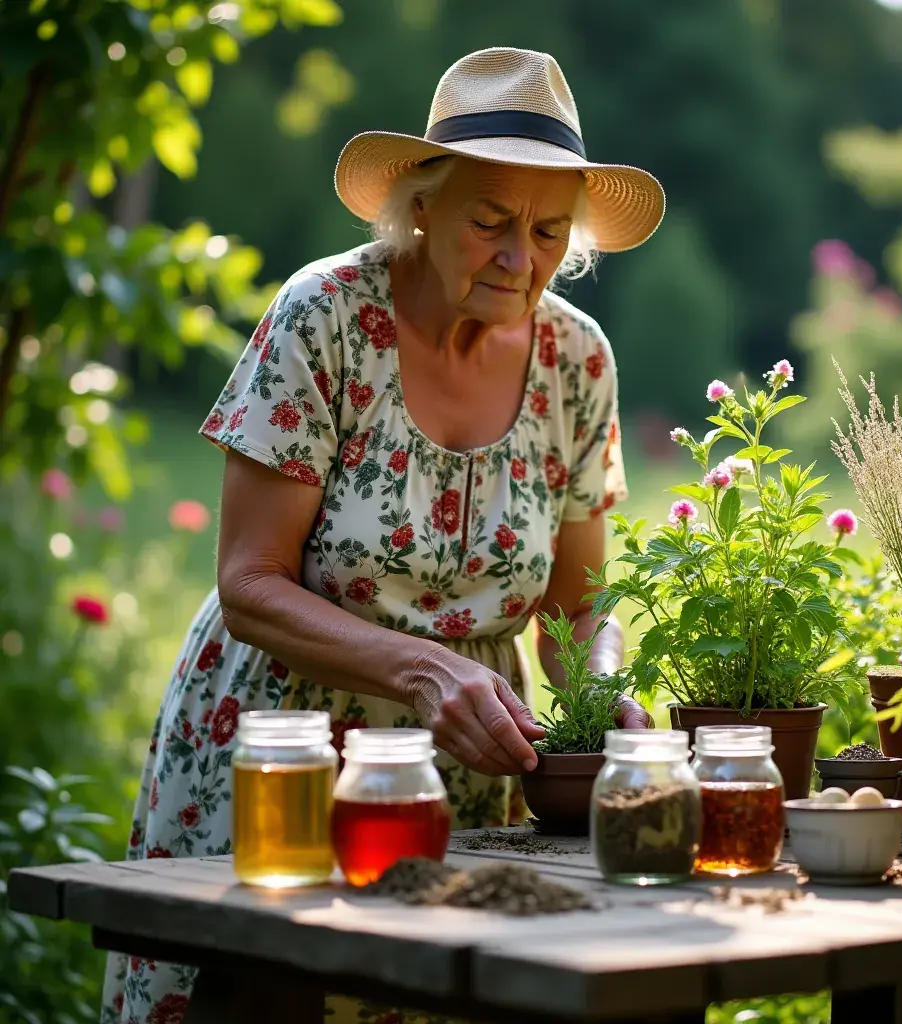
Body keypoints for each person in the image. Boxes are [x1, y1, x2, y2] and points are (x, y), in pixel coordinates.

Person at [101, 46, 665, 1024]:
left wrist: (606, 696)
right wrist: (421, 669)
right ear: (420, 205)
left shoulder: (578, 359)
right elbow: (249, 582)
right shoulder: (323, 317)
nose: (516, 256)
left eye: (545, 231)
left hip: (464, 786)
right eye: (489, 220)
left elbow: (577, 612)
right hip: (284, 756)